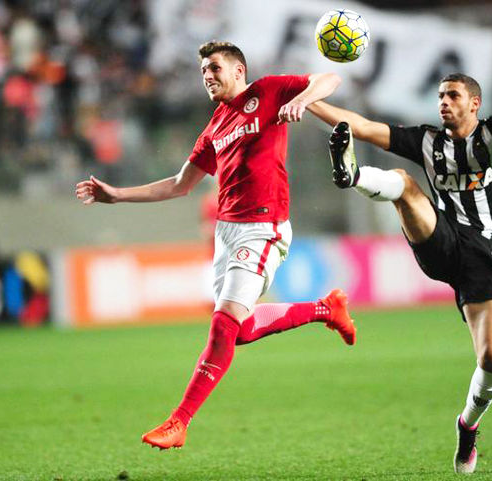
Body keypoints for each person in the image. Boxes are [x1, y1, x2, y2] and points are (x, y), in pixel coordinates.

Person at [75, 41, 355, 450]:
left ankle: (179, 422)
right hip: (227, 232)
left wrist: (304, 99)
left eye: (214, 67)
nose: (207, 75)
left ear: (239, 70)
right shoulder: (215, 127)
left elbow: (329, 77)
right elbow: (179, 184)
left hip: (263, 225)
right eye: (203, 70)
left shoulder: (269, 90)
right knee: (237, 331)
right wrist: (116, 195)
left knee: (223, 325)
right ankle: (325, 309)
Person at [307, 45, 492, 474]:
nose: (443, 102)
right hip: (443, 241)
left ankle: (468, 426)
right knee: (405, 184)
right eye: (441, 96)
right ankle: (351, 175)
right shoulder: (427, 141)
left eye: (452, 96)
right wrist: (306, 101)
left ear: (474, 103)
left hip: (487, 257)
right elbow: (361, 125)